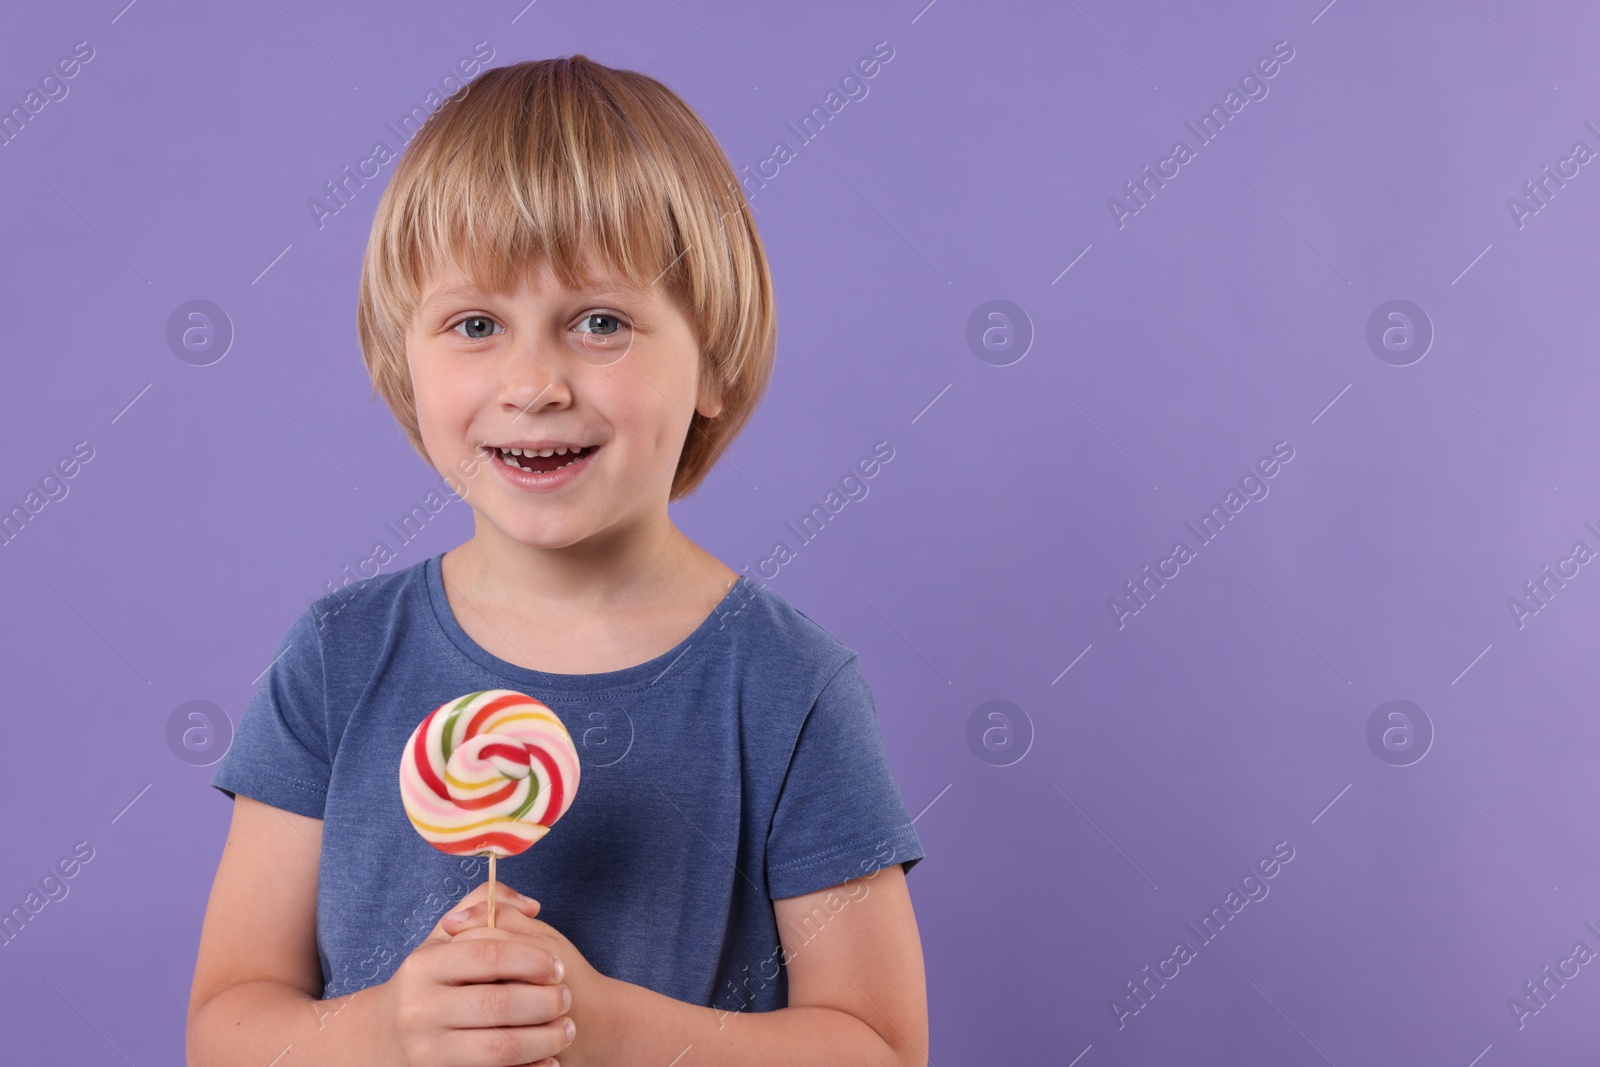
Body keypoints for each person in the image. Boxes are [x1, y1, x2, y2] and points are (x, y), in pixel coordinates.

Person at [186, 54, 929, 1067]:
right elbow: (225, 1027)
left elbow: (881, 1047)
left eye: (601, 321)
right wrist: (391, 1029)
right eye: (477, 323)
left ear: (710, 357)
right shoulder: (338, 660)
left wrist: (615, 1027)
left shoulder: (790, 689)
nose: (533, 381)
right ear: (404, 355)